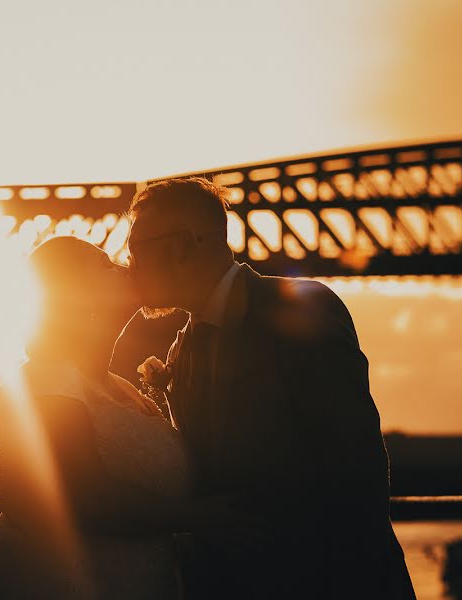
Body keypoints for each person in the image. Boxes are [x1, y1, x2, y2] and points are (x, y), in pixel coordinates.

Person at [127, 177, 416, 599]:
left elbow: (357, 467)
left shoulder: (301, 308)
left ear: (181, 246)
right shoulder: (182, 347)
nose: (129, 267)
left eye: (137, 251)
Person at [0, 236, 252, 599]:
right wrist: (204, 518)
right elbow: (81, 497)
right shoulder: (46, 377)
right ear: (77, 296)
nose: (126, 267)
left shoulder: (122, 387)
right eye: (106, 265)